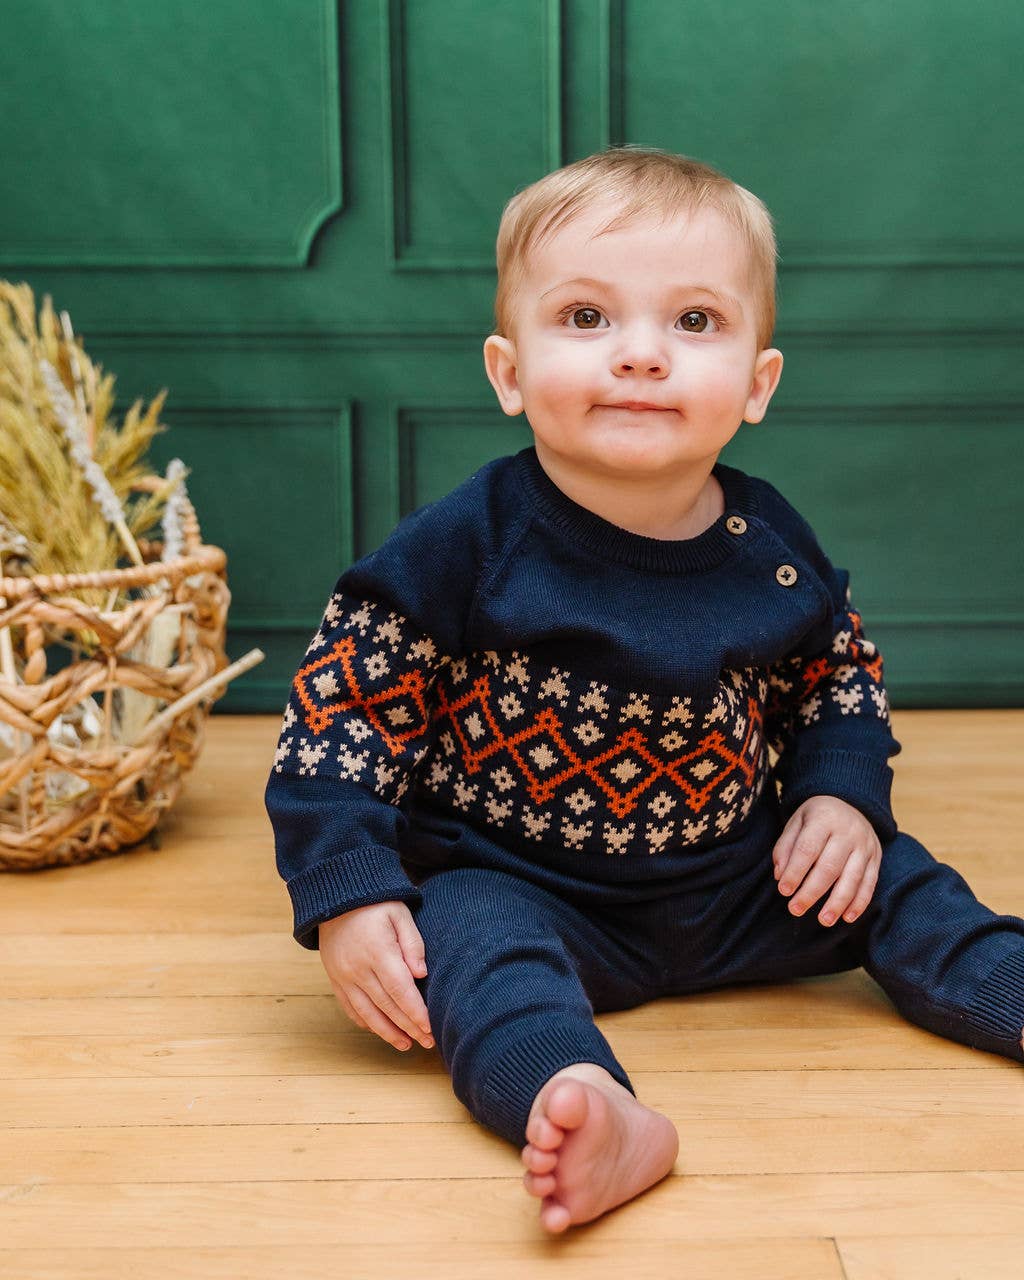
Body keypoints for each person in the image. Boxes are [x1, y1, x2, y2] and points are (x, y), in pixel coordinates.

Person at [265, 147, 1024, 1234]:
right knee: (478, 958)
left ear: (757, 384)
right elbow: (343, 708)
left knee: (902, 884)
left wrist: (842, 796)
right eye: (584, 318)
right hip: (524, 879)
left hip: (741, 877)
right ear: (508, 369)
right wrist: (347, 887)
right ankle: (591, 1106)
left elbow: (835, 673)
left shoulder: (766, 541)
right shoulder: (468, 545)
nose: (638, 356)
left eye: (694, 323)